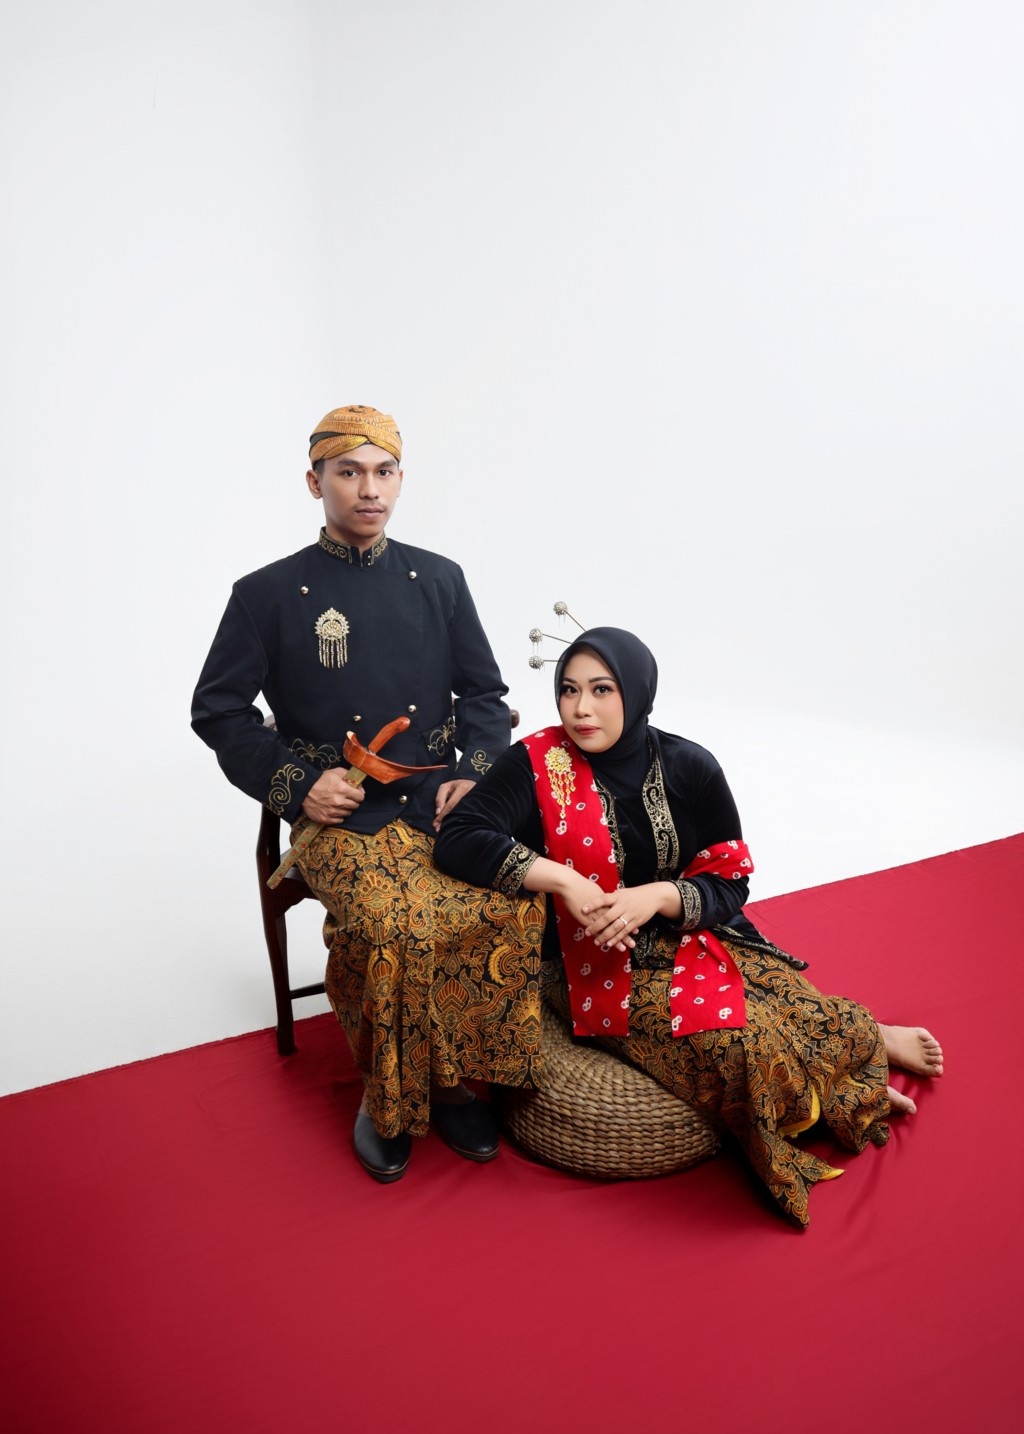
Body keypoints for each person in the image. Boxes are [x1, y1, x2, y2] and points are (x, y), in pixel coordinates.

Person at [434, 626, 943, 1225]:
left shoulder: (689, 766)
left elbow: (730, 879)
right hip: (586, 958)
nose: (581, 708)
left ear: (637, 692)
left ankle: (865, 1046)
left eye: (601, 689)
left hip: (687, 931)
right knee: (742, 1044)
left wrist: (657, 896)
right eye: (569, 690)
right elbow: (460, 837)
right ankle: (845, 1071)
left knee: (785, 997)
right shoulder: (535, 764)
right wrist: (565, 881)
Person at [192, 405, 544, 1184]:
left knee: (513, 902)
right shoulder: (265, 594)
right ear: (313, 481)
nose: (368, 489)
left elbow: (485, 696)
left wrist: (471, 771)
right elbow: (217, 710)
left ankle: (454, 1078)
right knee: (392, 927)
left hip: (439, 806)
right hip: (343, 821)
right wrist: (297, 787)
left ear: (401, 479)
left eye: (383, 471)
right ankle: (389, 1096)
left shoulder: (440, 578)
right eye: (348, 472)